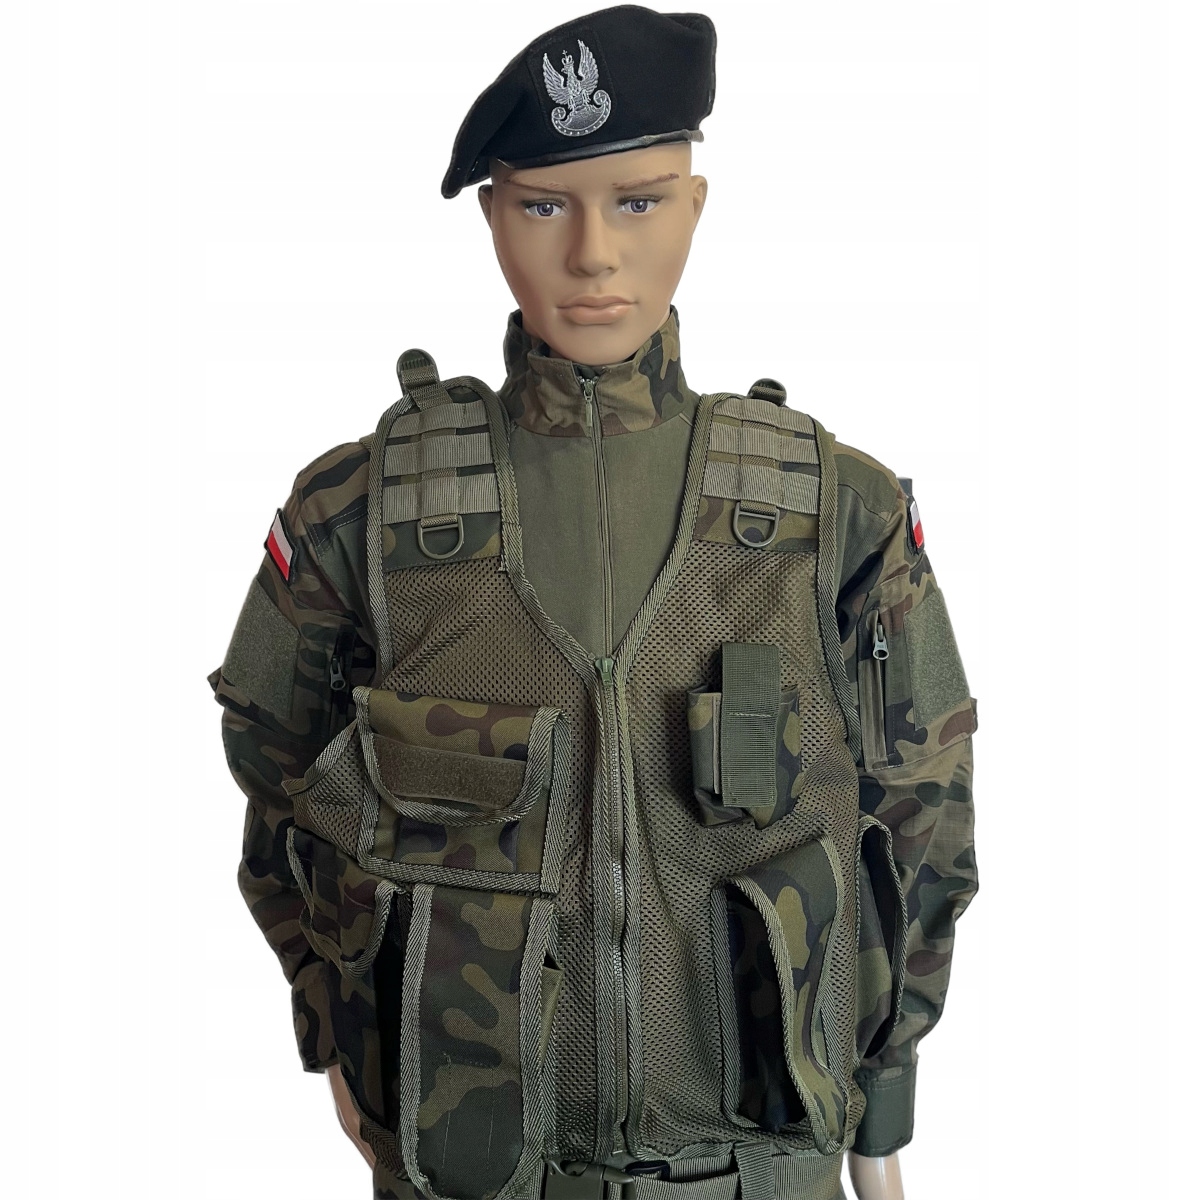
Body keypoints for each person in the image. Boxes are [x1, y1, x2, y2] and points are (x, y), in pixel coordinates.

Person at [209, 8, 977, 1200]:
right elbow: (277, 787)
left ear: (696, 206)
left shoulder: (838, 512)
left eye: (639, 200)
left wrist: (883, 1106)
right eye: (542, 207)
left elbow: (921, 817)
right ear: (491, 217)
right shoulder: (362, 512)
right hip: (468, 1174)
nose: (593, 256)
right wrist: (338, 1038)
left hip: (760, 1172)